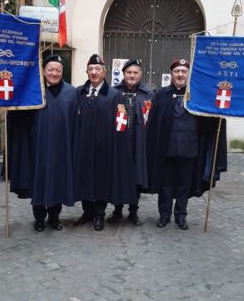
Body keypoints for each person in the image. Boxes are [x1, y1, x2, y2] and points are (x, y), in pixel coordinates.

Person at [146, 58, 227, 230]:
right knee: (165, 184)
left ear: (188, 74)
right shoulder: (161, 94)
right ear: (171, 74)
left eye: (184, 71)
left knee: (184, 184)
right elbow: (154, 122)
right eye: (177, 71)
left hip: (190, 148)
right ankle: (164, 215)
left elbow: (208, 119)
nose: (180, 74)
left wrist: (220, 113)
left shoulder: (197, 95)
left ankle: (181, 216)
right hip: (166, 147)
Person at [9, 54, 78, 231]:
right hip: (37, 147)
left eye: (58, 70)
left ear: (62, 72)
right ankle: (39, 219)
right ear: (43, 71)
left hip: (61, 148)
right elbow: (20, 117)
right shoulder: (33, 91)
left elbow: (75, 123)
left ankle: (54, 218)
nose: (54, 73)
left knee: (57, 182)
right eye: (50, 70)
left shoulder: (71, 92)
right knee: (38, 182)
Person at [74, 54, 119, 231]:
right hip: (83, 146)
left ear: (104, 72)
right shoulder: (79, 92)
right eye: (91, 69)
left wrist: (116, 144)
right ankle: (87, 212)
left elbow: (120, 122)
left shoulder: (114, 95)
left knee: (100, 181)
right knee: (84, 179)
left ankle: (99, 214)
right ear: (86, 71)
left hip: (104, 148)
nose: (94, 72)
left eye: (98, 69)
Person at [107, 58, 153, 226]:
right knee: (119, 175)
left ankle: (133, 211)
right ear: (123, 74)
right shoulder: (114, 92)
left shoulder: (148, 94)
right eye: (129, 72)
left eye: (135, 72)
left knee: (136, 178)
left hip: (138, 142)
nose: (132, 75)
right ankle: (117, 210)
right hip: (119, 141)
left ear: (140, 74)